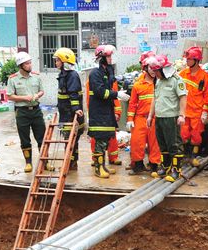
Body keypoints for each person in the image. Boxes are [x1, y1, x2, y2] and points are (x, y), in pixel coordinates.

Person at [87, 44, 129, 178]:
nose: (110, 59)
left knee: (105, 140)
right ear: (101, 58)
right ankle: (99, 168)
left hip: (106, 111)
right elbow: (100, 92)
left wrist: (116, 94)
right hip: (99, 113)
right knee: (100, 140)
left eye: (111, 56)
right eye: (108, 56)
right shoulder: (95, 73)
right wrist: (116, 94)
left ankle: (103, 165)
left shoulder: (106, 72)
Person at [146, 54, 186, 182]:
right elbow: (155, 98)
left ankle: (176, 169)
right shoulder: (159, 81)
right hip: (160, 117)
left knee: (174, 144)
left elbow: (183, 97)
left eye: (157, 71)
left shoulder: (176, 80)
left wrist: (181, 115)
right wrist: (150, 115)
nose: (155, 73)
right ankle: (165, 166)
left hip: (171, 117)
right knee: (162, 144)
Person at [7, 51, 46, 173]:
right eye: (27, 63)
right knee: (25, 139)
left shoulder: (36, 76)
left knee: (42, 138)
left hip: (36, 111)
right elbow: (10, 96)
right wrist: (24, 98)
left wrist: (37, 95)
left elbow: (42, 91)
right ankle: (28, 163)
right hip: (22, 112)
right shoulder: (13, 79)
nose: (30, 65)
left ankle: (45, 162)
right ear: (21, 65)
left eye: (30, 63)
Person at [126, 51, 161, 174]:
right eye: (150, 68)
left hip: (156, 119)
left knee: (155, 143)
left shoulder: (160, 84)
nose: (152, 71)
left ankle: (154, 166)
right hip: (140, 118)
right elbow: (132, 104)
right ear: (145, 68)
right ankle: (138, 165)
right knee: (137, 142)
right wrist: (130, 120)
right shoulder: (137, 85)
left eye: (154, 68)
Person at [179, 46, 208, 166]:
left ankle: (193, 157)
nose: (187, 61)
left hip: (197, 112)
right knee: (184, 135)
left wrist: (205, 112)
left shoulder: (204, 77)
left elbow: (207, 96)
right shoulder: (182, 74)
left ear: (196, 60)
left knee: (196, 137)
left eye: (189, 59)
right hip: (185, 111)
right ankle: (185, 156)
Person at [52, 47, 82, 170]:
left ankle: (71, 163)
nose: (56, 63)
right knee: (69, 139)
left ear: (64, 61)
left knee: (71, 140)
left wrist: (75, 108)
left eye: (58, 60)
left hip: (71, 113)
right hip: (65, 112)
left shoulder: (72, 75)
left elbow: (73, 93)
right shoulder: (64, 74)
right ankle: (71, 163)